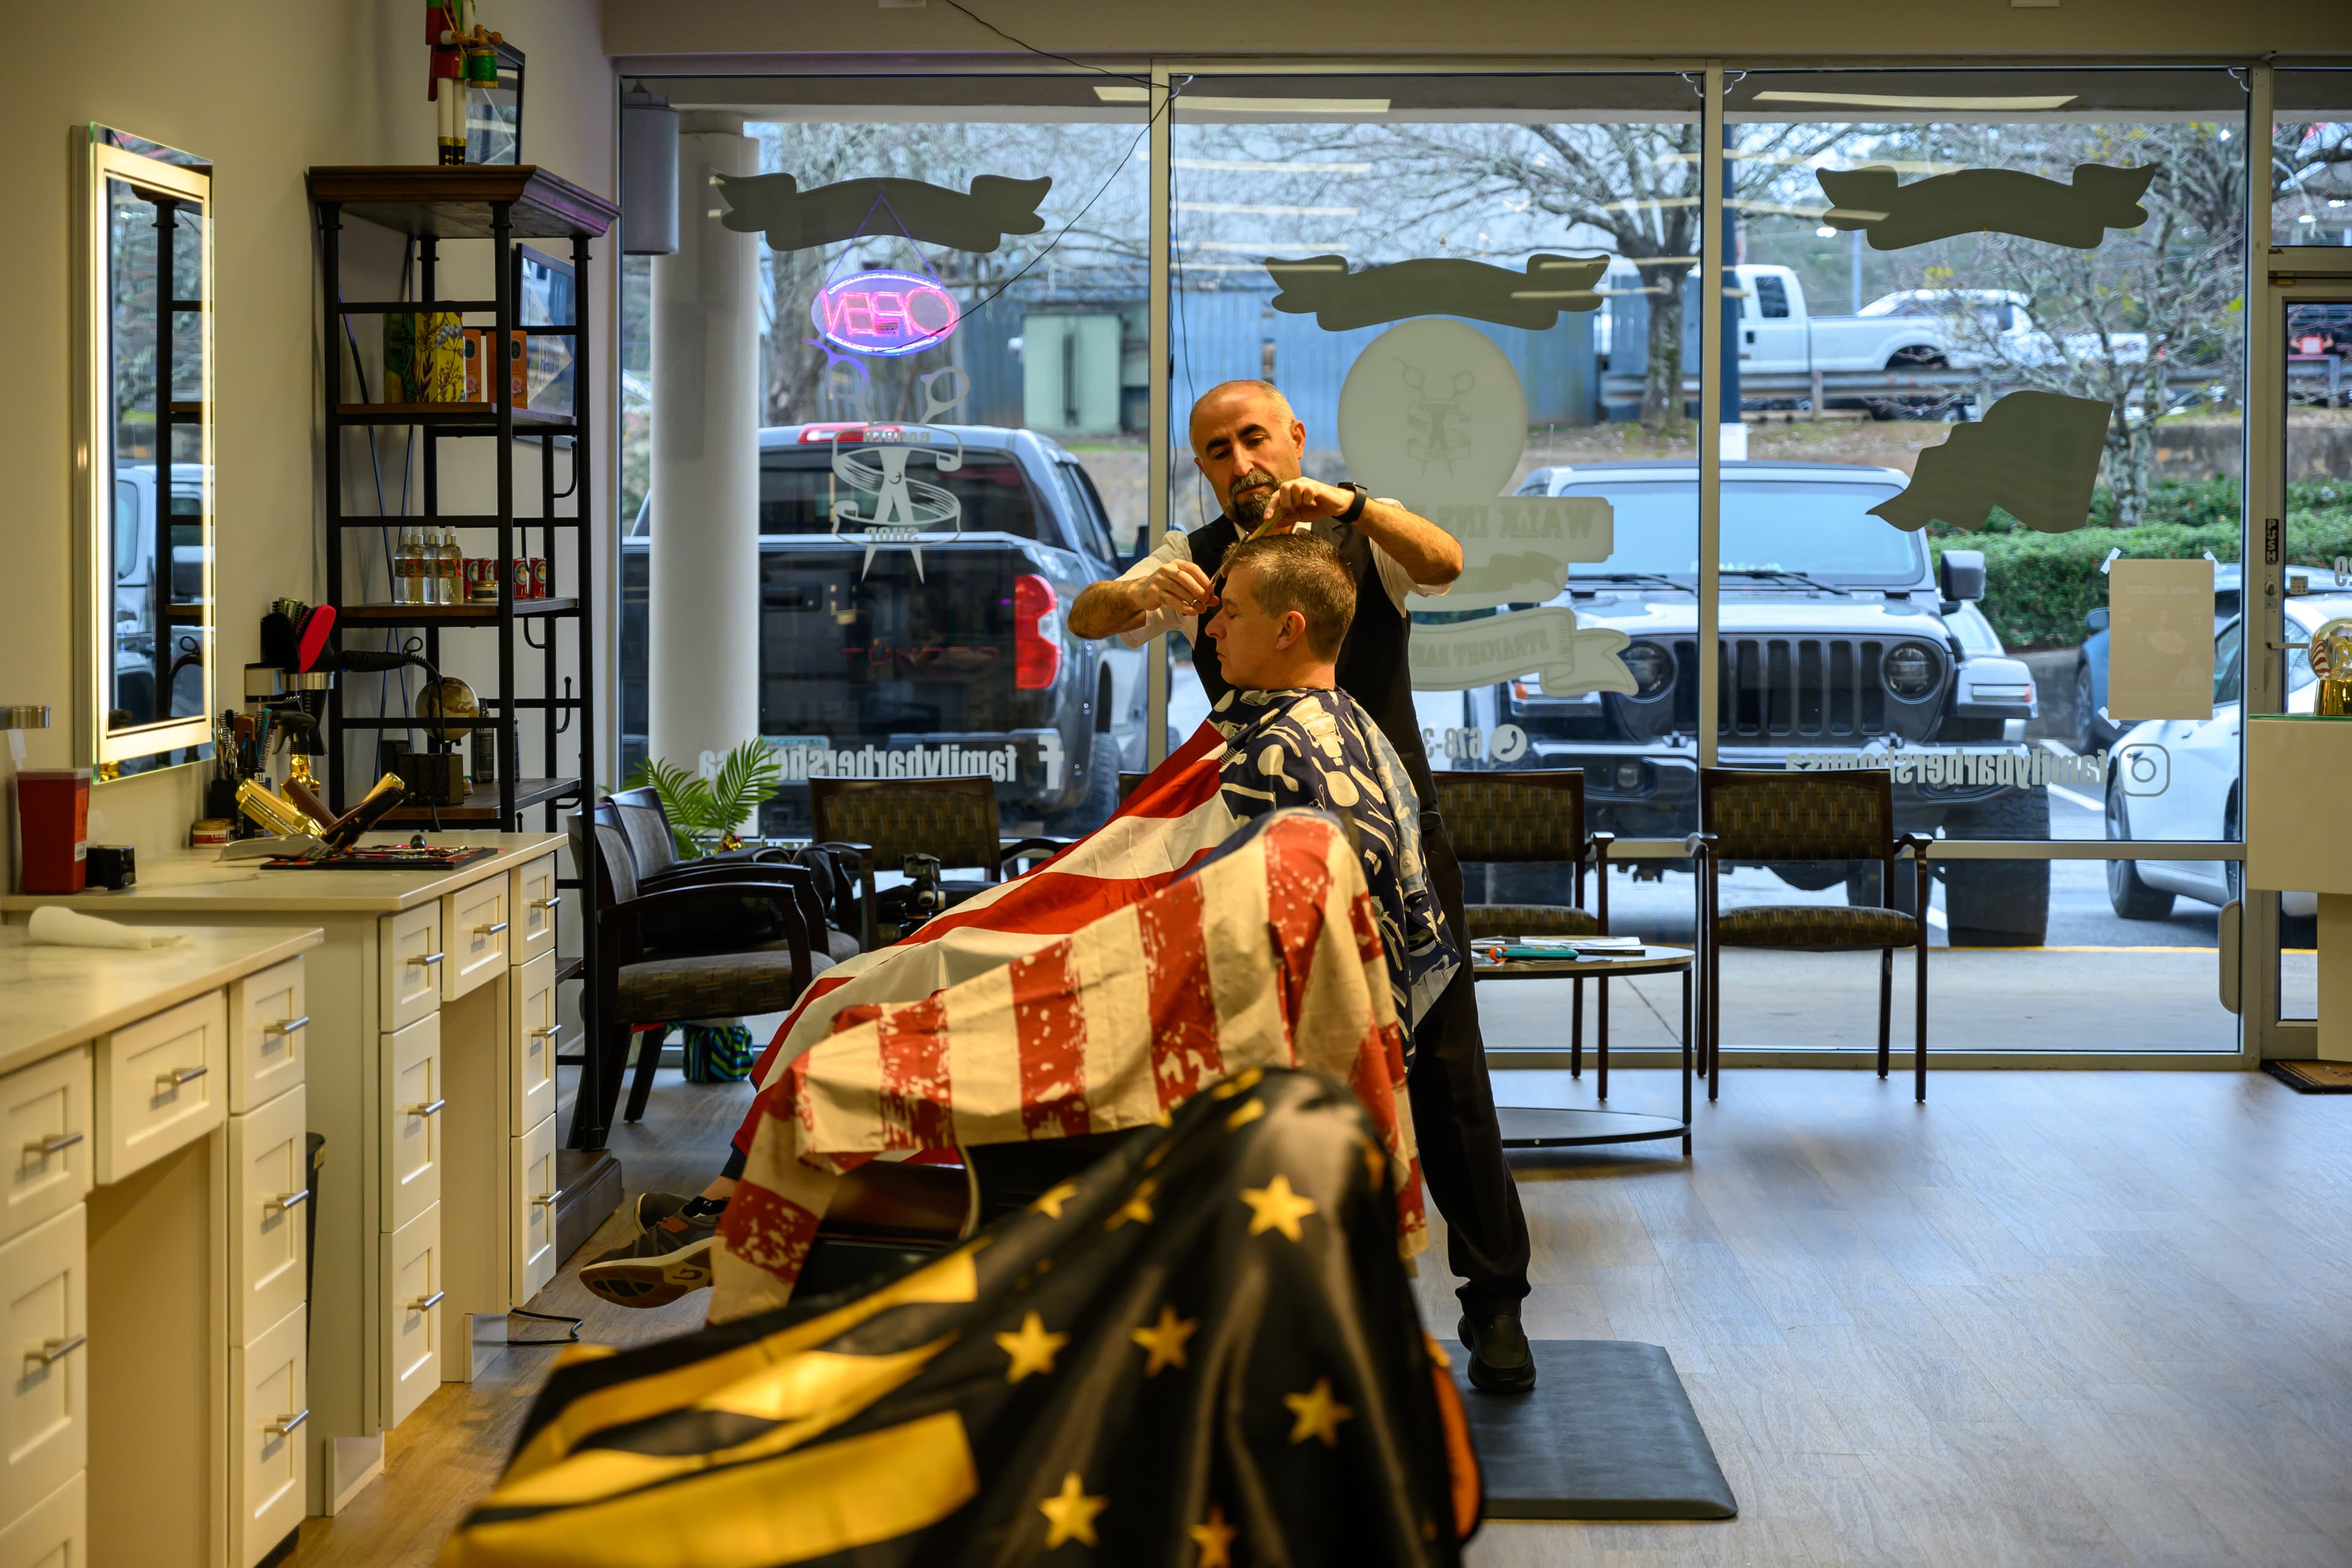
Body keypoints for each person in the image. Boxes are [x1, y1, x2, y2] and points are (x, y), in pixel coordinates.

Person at [1066, 380, 1536, 1393]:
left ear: (1294, 439)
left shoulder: (1360, 535)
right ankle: (1291, 1311)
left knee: (1447, 1075)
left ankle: (1496, 1303)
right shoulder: (1196, 560)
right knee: (1273, 1074)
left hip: (1396, 848)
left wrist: (1356, 507)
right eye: (1217, 452)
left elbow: (1446, 561)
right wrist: (1151, 591)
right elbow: (1088, 614)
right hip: (1261, 864)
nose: (1240, 464)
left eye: (1253, 440)